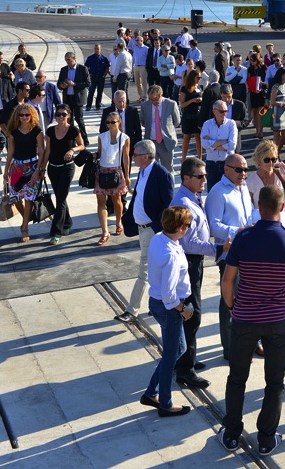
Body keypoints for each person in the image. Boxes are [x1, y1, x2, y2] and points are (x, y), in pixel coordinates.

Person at [219, 185, 285, 454]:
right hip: (277, 322)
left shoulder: (243, 238)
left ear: (259, 206)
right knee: (275, 383)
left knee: (237, 378)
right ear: (282, 208)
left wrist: (233, 307)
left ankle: (232, 434)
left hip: (245, 319)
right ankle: (267, 439)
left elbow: (227, 281)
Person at [139, 205, 194, 417]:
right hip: (169, 307)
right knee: (172, 354)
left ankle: (151, 393)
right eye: (188, 225)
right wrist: (184, 310)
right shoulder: (171, 255)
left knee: (177, 349)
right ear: (180, 227)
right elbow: (170, 294)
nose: (189, 228)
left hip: (158, 303)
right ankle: (165, 403)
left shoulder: (159, 238)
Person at [115, 140, 175, 321]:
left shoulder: (161, 175)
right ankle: (157, 304)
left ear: (146, 156)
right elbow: (138, 198)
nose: (133, 157)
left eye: (135, 155)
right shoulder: (142, 172)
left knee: (144, 270)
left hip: (152, 230)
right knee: (156, 270)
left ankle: (131, 310)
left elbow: (169, 205)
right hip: (142, 229)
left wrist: (157, 227)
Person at [170, 157, 216, 389]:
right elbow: (190, 243)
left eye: (205, 175)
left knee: (192, 312)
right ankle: (185, 369)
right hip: (188, 262)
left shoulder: (193, 197)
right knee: (191, 313)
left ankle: (188, 358)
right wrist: (218, 249)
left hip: (193, 262)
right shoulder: (184, 204)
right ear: (185, 178)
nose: (204, 180)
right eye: (200, 176)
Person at [205, 153, 256, 360]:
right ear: (226, 169)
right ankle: (229, 348)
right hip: (229, 256)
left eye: (245, 169)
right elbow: (213, 226)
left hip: (248, 253)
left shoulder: (243, 188)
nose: (243, 174)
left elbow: (250, 214)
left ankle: (250, 343)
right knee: (229, 301)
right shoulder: (217, 193)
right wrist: (240, 230)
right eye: (239, 170)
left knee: (248, 301)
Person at [41, 105, 84, 244]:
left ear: (69, 115)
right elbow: (47, 151)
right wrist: (41, 168)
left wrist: (72, 150)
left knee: (60, 200)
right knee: (61, 198)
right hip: (53, 168)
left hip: (67, 168)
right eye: (58, 114)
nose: (60, 117)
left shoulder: (73, 130)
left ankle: (55, 232)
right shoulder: (50, 131)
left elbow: (82, 145)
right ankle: (67, 223)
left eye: (63, 114)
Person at [3, 103, 45, 242]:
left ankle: (24, 227)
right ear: (17, 116)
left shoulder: (37, 130)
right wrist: (6, 170)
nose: (24, 117)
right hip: (16, 167)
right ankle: (26, 218)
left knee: (29, 198)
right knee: (15, 199)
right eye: (21, 115)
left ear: (32, 115)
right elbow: (10, 151)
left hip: (32, 166)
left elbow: (41, 151)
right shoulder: (14, 131)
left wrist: (38, 170)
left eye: (27, 114)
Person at [246, 140, 285, 238]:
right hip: (263, 230)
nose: (270, 163)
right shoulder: (250, 182)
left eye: (273, 160)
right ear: (259, 160)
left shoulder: (281, 174)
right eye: (267, 160)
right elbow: (248, 210)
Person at [95, 111, 131, 245]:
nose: (110, 125)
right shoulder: (101, 137)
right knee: (101, 202)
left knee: (117, 201)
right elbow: (99, 153)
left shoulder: (125, 138)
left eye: (113, 122)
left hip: (116, 171)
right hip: (102, 171)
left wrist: (127, 175)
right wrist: (92, 156)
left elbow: (126, 157)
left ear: (119, 122)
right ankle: (105, 231)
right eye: (108, 122)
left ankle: (118, 222)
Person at [140, 84, 180, 172]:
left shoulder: (171, 104)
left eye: (155, 99)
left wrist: (167, 129)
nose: (153, 102)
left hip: (166, 142)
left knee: (168, 169)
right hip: (151, 142)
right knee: (152, 169)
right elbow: (143, 121)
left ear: (160, 95)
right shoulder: (145, 106)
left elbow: (176, 121)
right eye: (150, 99)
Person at [200, 99, 238, 189]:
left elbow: (232, 145)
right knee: (212, 192)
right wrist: (225, 141)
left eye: (226, 111)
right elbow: (204, 144)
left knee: (228, 192)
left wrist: (212, 143)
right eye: (221, 111)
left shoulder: (231, 124)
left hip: (227, 164)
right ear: (214, 111)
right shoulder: (207, 124)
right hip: (211, 164)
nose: (224, 114)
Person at [101, 90, 143, 168]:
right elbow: (103, 130)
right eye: (119, 102)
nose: (122, 104)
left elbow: (137, 130)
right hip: (112, 146)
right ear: (114, 101)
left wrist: (137, 146)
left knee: (126, 169)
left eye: (123, 101)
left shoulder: (132, 111)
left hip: (128, 145)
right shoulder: (107, 111)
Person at [57, 51, 90, 145]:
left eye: (68, 60)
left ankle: (84, 139)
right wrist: (62, 86)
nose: (67, 62)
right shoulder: (63, 70)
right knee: (69, 120)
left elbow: (88, 83)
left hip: (78, 99)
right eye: (66, 60)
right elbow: (59, 84)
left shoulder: (83, 69)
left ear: (74, 58)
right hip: (68, 98)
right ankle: (72, 140)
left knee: (79, 119)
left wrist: (74, 84)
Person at [179, 68, 203, 161]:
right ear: (193, 77)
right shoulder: (185, 88)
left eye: (200, 77)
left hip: (197, 114)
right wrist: (192, 100)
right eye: (198, 77)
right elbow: (182, 103)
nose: (199, 79)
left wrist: (201, 99)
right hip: (188, 115)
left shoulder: (199, 87)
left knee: (198, 136)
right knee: (186, 137)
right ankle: (183, 158)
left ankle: (200, 157)